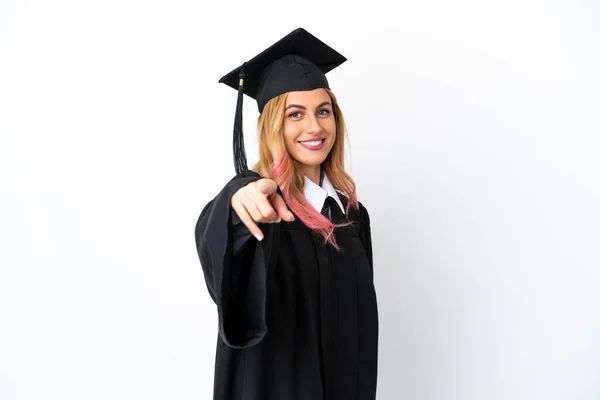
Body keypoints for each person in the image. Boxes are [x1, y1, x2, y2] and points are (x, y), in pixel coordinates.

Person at [194, 27, 378, 400]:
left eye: (323, 111)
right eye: (296, 114)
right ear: (274, 125)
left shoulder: (353, 216)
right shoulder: (264, 210)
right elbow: (223, 242)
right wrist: (238, 199)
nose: (314, 126)